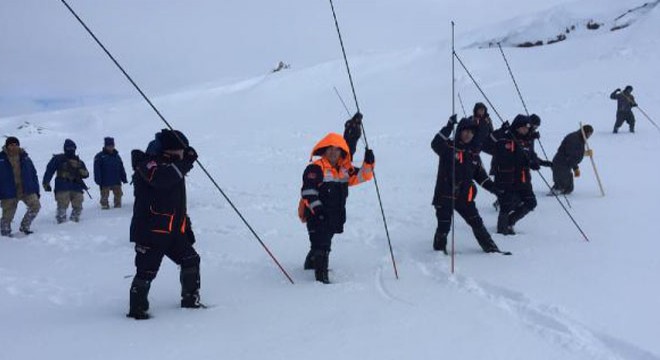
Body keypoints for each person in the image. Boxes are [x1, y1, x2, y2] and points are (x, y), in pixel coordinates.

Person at [127, 129, 201, 320]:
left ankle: (190, 300)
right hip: (150, 231)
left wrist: (186, 227)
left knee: (191, 259)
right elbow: (161, 179)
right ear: (169, 151)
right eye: (181, 151)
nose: (183, 155)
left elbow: (178, 204)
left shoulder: (173, 167)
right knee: (146, 271)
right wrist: (186, 162)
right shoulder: (148, 164)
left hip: (174, 232)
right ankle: (137, 311)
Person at [298, 112, 374, 284]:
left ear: (341, 152)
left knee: (323, 241)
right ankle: (321, 279)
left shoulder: (343, 170)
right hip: (316, 214)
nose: (333, 152)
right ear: (324, 151)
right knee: (322, 246)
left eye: (336, 149)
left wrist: (368, 163)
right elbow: (308, 192)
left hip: (335, 214)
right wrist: (318, 210)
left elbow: (363, 176)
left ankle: (310, 263)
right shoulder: (315, 168)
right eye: (330, 149)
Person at [431, 115, 508, 255]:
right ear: (460, 131)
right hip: (445, 195)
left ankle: (492, 250)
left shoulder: (472, 154)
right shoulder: (448, 147)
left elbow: (481, 177)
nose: (468, 135)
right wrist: (448, 127)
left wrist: (495, 189)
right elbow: (435, 143)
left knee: (477, 223)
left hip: (465, 197)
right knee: (444, 226)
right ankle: (439, 253)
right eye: (466, 131)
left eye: (472, 133)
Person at [488, 115, 540, 235]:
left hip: (523, 179)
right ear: (516, 127)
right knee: (505, 205)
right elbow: (487, 143)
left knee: (531, 202)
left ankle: (510, 221)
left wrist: (534, 163)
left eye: (527, 128)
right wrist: (501, 131)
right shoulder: (504, 139)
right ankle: (502, 230)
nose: (525, 130)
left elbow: (532, 155)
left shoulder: (528, 140)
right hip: (505, 178)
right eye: (522, 128)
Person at [0, 137, 41, 236]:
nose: (14, 147)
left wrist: (36, 190)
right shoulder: (1, 158)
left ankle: (25, 226)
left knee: (35, 206)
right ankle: (5, 232)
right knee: (8, 215)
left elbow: (33, 174)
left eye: (16, 144)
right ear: (7, 146)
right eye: (11, 145)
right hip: (8, 190)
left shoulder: (25, 157)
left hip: (26, 189)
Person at [43, 139, 89, 223]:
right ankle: (61, 223)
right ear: (65, 148)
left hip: (76, 186)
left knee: (78, 205)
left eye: (72, 148)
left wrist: (82, 171)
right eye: (68, 148)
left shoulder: (79, 161)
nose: (70, 149)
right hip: (62, 185)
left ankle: (74, 221)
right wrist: (46, 182)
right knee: (62, 205)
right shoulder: (58, 159)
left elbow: (86, 175)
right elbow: (49, 170)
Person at [550, 125, 594, 195]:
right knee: (562, 186)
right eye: (588, 134)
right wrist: (576, 167)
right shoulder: (574, 139)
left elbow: (575, 155)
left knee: (569, 189)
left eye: (590, 135)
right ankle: (552, 197)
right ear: (584, 132)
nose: (589, 136)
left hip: (567, 164)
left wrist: (584, 154)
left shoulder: (580, 139)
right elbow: (571, 155)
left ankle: (559, 190)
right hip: (561, 164)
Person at [94, 137, 128, 209]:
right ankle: (104, 206)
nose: (111, 147)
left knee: (118, 195)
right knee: (104, 196)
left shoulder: (117, 156)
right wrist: (98, 180)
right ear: (105, 146)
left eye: (112, 145)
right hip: (105, 181)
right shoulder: (99, 156)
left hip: (116, 180)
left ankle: (118, 206)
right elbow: (97, 170)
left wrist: (124, 178)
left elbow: (121, 167)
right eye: (109, 146)